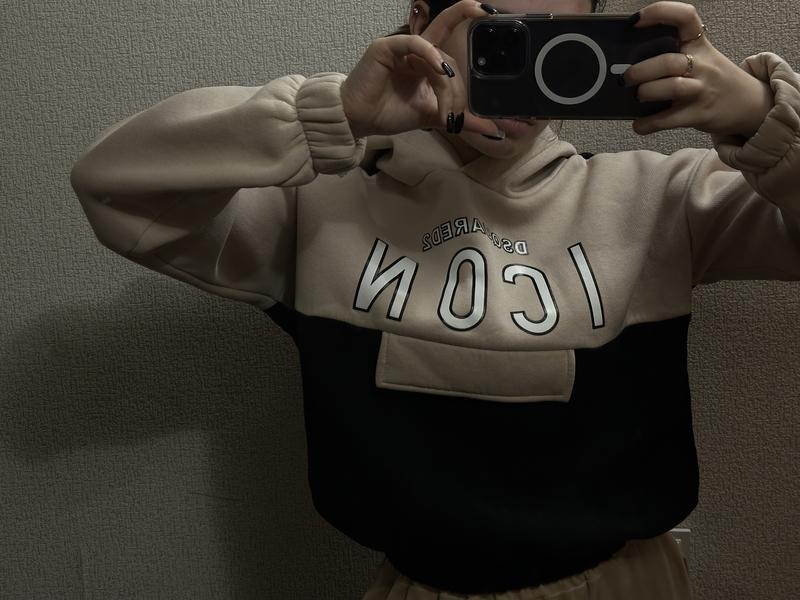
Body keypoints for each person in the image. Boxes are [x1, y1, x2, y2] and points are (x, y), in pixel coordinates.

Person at [69, 0, 799, 598]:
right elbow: (113, 187)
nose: (532, 69)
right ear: (424, 23)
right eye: (502, 34)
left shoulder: (661, 198)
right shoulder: (320, 206)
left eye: (560, 39)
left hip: (627, 584)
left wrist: (758, 115)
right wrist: (334, 116)